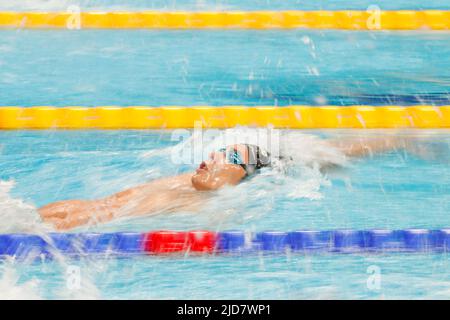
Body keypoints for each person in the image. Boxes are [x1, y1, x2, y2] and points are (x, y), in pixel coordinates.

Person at [39, 135, 427, 230]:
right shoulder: (195, 183)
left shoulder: (222, 183)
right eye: (214, 154)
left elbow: (230, 174)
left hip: (81, 220)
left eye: (223, 157)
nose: (208, 158)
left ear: (243, 172)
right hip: (75, 214)